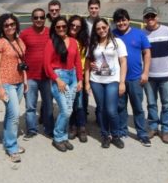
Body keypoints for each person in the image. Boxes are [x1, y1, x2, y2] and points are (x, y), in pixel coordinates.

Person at [85, 18, 127, 149]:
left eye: (103, 27)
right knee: (101, 109)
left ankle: (115, 135)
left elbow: (123, 62)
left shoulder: (117, 42)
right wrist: (86, 82)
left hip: (112, 80)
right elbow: (87, 64)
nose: (101, 30)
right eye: (98, 29)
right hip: (96, 80)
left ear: (108, 27)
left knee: (111, 110)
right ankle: (105, 135)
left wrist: (122, 82)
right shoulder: (93, 44)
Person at [112, 8, 152, 147]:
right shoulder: (113, 35)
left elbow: (147, 53)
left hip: (135, 78)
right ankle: (122, 130)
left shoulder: (139, 34)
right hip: (119, 78)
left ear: (128, 20)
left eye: (123, 20)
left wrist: (145, 72)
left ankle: (142, 133)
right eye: (118, 21)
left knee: (137, 107)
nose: (121, 23)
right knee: (120, 106)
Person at [0, 13, 28, 163]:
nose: (10, 27)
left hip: (19, 82)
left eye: (12, 24)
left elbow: (21, 60)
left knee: (10, 114)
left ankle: (8, 142)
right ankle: (12, 148)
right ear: (1, 27)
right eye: (6, 25)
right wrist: (0, 88)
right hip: (6, 84)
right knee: (15, 115)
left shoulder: (19, 41)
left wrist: (24, 79)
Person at [142, 6, 168, 144]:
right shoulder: (142, 34)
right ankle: (153, 127)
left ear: (157, 17)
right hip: (149, 76)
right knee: (151, 103)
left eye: (152, 16)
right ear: (144, 19)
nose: (150, 19)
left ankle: (165, 130)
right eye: (147, 17)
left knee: (167, 104)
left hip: (166, 75)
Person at [44, 16, 83, 152]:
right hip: (59, 78)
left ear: (67, 27)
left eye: (64, 26)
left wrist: (80, 79)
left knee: (69, 109)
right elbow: (46, 65)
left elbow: (77, 61)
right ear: (54, 28)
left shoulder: (73, 41)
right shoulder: (51, 42)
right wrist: (57, 79)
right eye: (58, 27)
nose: (61, 29)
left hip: (72, 77)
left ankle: (63, 136)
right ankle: (57, 137)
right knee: (66, 111)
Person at [20, 8, 54, 139]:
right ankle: (32, 129)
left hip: (47, 76)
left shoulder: (51, 33)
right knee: (30, 106)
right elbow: (19, 52)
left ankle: (49, 129)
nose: (39, 20)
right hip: (30, 76)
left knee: (48, 105)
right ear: (32, 19)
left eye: (41, 17)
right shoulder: (25, 34)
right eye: (36, 17)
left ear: (45, 18)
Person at [67, 15, 89, 143]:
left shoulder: (84, 41)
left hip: (80, 75)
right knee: (71, 102)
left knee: (80, 102)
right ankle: (72, 126)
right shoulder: (65, 39)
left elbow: (89, 57)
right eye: (72, 25)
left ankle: (81, 127)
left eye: (78, 26)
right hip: (68, 75)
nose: (74, 28)